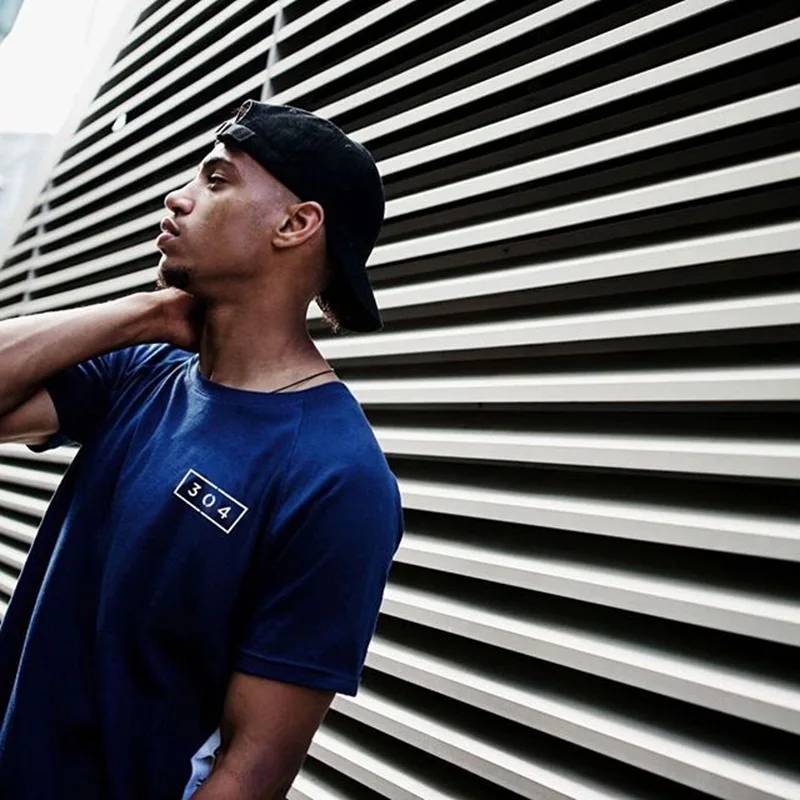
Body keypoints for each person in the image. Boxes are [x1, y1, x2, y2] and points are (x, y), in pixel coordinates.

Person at [0, 101, 403, 799]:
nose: (178, 197)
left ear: (295, 224)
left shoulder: (337, 477)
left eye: (215, 181)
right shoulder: (142, 369)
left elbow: (255, 766)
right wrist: (146, 312)